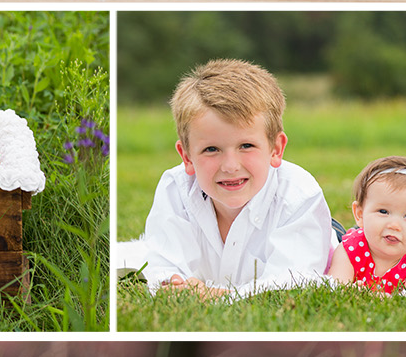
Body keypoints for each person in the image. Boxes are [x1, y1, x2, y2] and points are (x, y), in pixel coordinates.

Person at [140, 56, 333, 297]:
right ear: (187, 157)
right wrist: (177, 286)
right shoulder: (175, 189)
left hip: (322, 240)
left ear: (276, 149)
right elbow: (163, 270)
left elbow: (291, 283)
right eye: (211, 149)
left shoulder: (298, 195)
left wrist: (214, 295)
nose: (230, 166)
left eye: (246, 146)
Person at [328, 154, 406, 294]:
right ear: (359, 214)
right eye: (383, 211)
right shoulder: (349, 248)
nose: (394, 225)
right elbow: (336, 286)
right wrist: (350, 291)